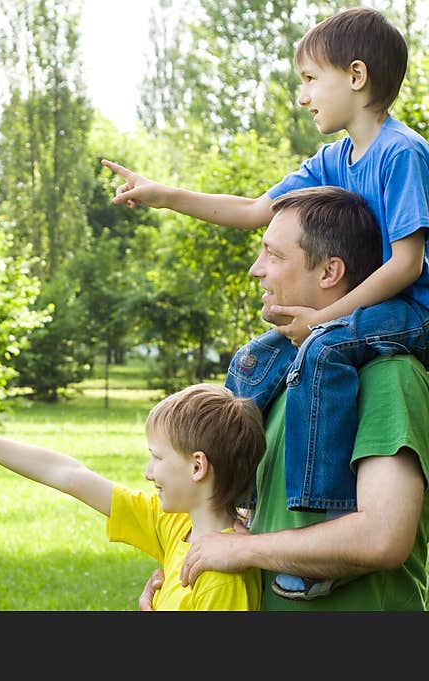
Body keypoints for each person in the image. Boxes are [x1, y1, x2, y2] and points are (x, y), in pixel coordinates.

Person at [103, 6, 429, 599]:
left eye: (310, 79)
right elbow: (257, 210)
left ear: (356, 76)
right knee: (255, 358)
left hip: (406, 311)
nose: (302, 95)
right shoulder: (331, 161)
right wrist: (165, 195)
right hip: (347, 312)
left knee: (324, 349)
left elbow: (406, 263)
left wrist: (326, 319)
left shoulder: (401, 153)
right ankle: (240, 502)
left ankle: (317, 518)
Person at [141, 187, 429, 611]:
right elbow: (260, 520)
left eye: (273, 256)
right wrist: (185, 581)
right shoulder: (280, 376)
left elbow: (384, 537)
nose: (257, 270)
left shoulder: (390, 376)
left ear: (330, 271)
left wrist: (245, 551)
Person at [0, 382, 266, 610]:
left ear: (197, 467)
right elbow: (68, 474)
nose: (148, 473)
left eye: (157, 458)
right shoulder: (177, 525)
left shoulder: (221, 577)